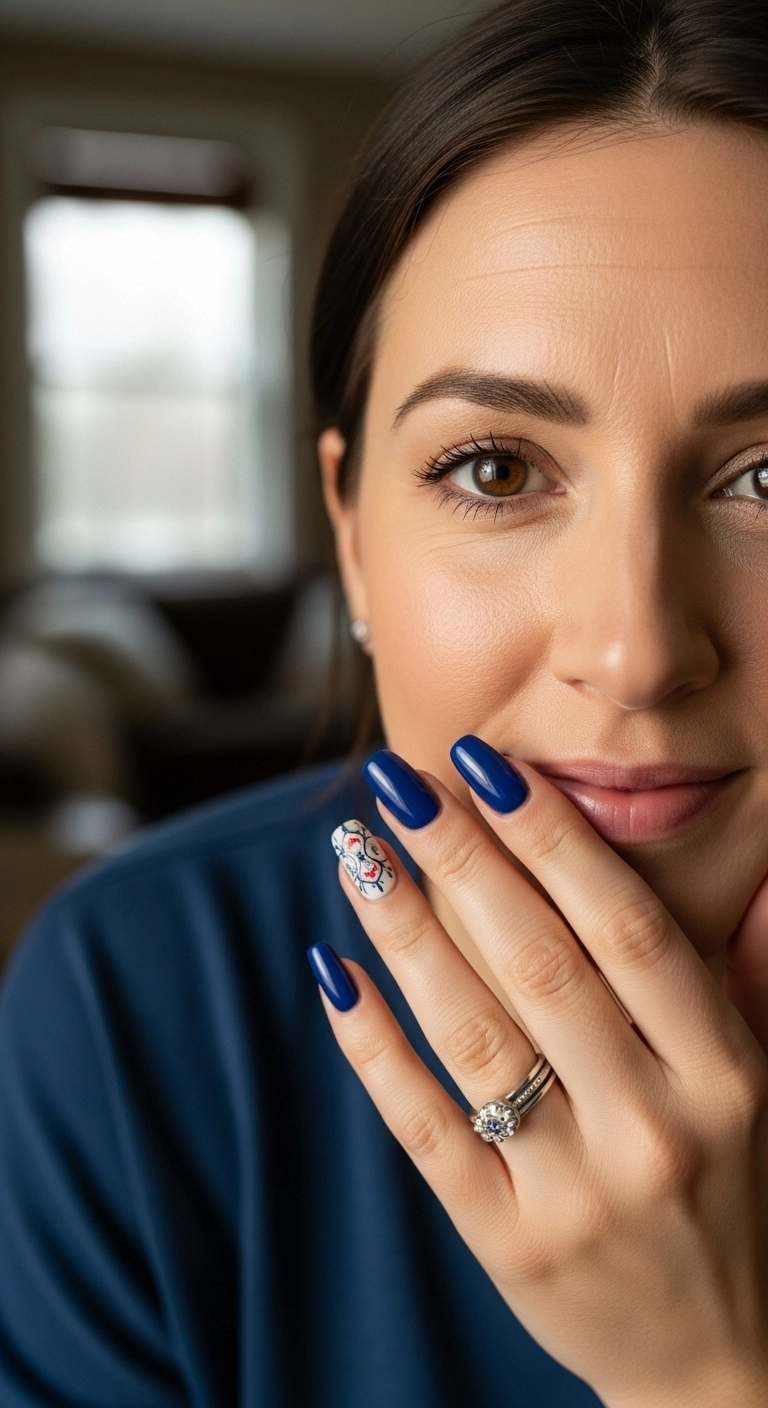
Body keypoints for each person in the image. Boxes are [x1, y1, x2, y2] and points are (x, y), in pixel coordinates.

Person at [2, 0, 768, 1401]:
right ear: (351, 535)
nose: (639, 650)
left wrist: (706, 1375)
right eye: (494, 469)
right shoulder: (132, 1003)